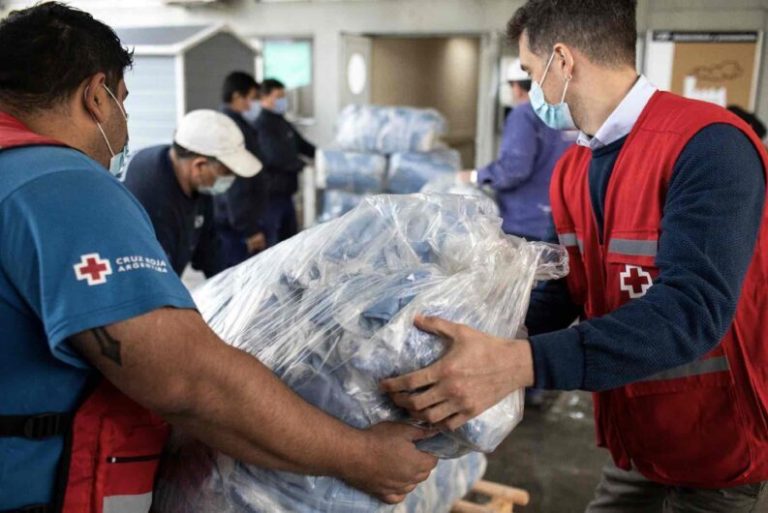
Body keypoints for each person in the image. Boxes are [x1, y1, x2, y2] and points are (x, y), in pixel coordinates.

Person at [0, 4, 436, 512]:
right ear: (97, 95)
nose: (125, 123)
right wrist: (361, 455)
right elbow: (188, 380)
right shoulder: (62, 187)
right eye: (123, 101)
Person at [381, 1, 768, 511]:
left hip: (718, 445)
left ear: (562, 61)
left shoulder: (708, 146)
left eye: (529, 71)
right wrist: (466, 342)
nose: (531, 90)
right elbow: (559, 293)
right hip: (638, 437)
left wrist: (521, 363)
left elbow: (692, 311)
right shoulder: (574, 169)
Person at [123, 109, 261, 277]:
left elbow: (209, 251)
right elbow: (156, 277)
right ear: (199, 166)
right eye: (226, 172)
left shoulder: (197, 184)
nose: (231, 179)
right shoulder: (152, 195)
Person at [460, 58, 573, 241]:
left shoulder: (523, 115)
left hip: (525, 222)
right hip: (560, 218)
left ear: (516, 88)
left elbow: (513, 169)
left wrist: (474, 176)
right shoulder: (564, 114)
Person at [215, 71, 270, 269]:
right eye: (252, 98)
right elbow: (235, 183)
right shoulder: (231, 130)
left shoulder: (235, 124)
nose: (254, 104)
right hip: (236, 226)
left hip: (238, 220)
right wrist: (249, 229)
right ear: (237, 96)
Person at [254, 78, 315, 246]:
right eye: (278, 97)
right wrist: (303, 165)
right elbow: (276, 156)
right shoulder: (262, 126)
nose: (283, 101)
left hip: (287, 195)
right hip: (271, 197)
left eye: (284, 96)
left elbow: (302, 145)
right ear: (264, 98)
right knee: (274, 244)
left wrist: (324, 157)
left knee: (290, 242)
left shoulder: (283, 123)